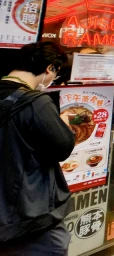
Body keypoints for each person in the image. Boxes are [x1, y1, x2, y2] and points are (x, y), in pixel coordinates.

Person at [0, 42, 75, 255]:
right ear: (49, 68)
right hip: (29, 216)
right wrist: (65, 126)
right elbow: (62, 147)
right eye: (55, 73)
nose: (52, 80)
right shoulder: (36, 102)